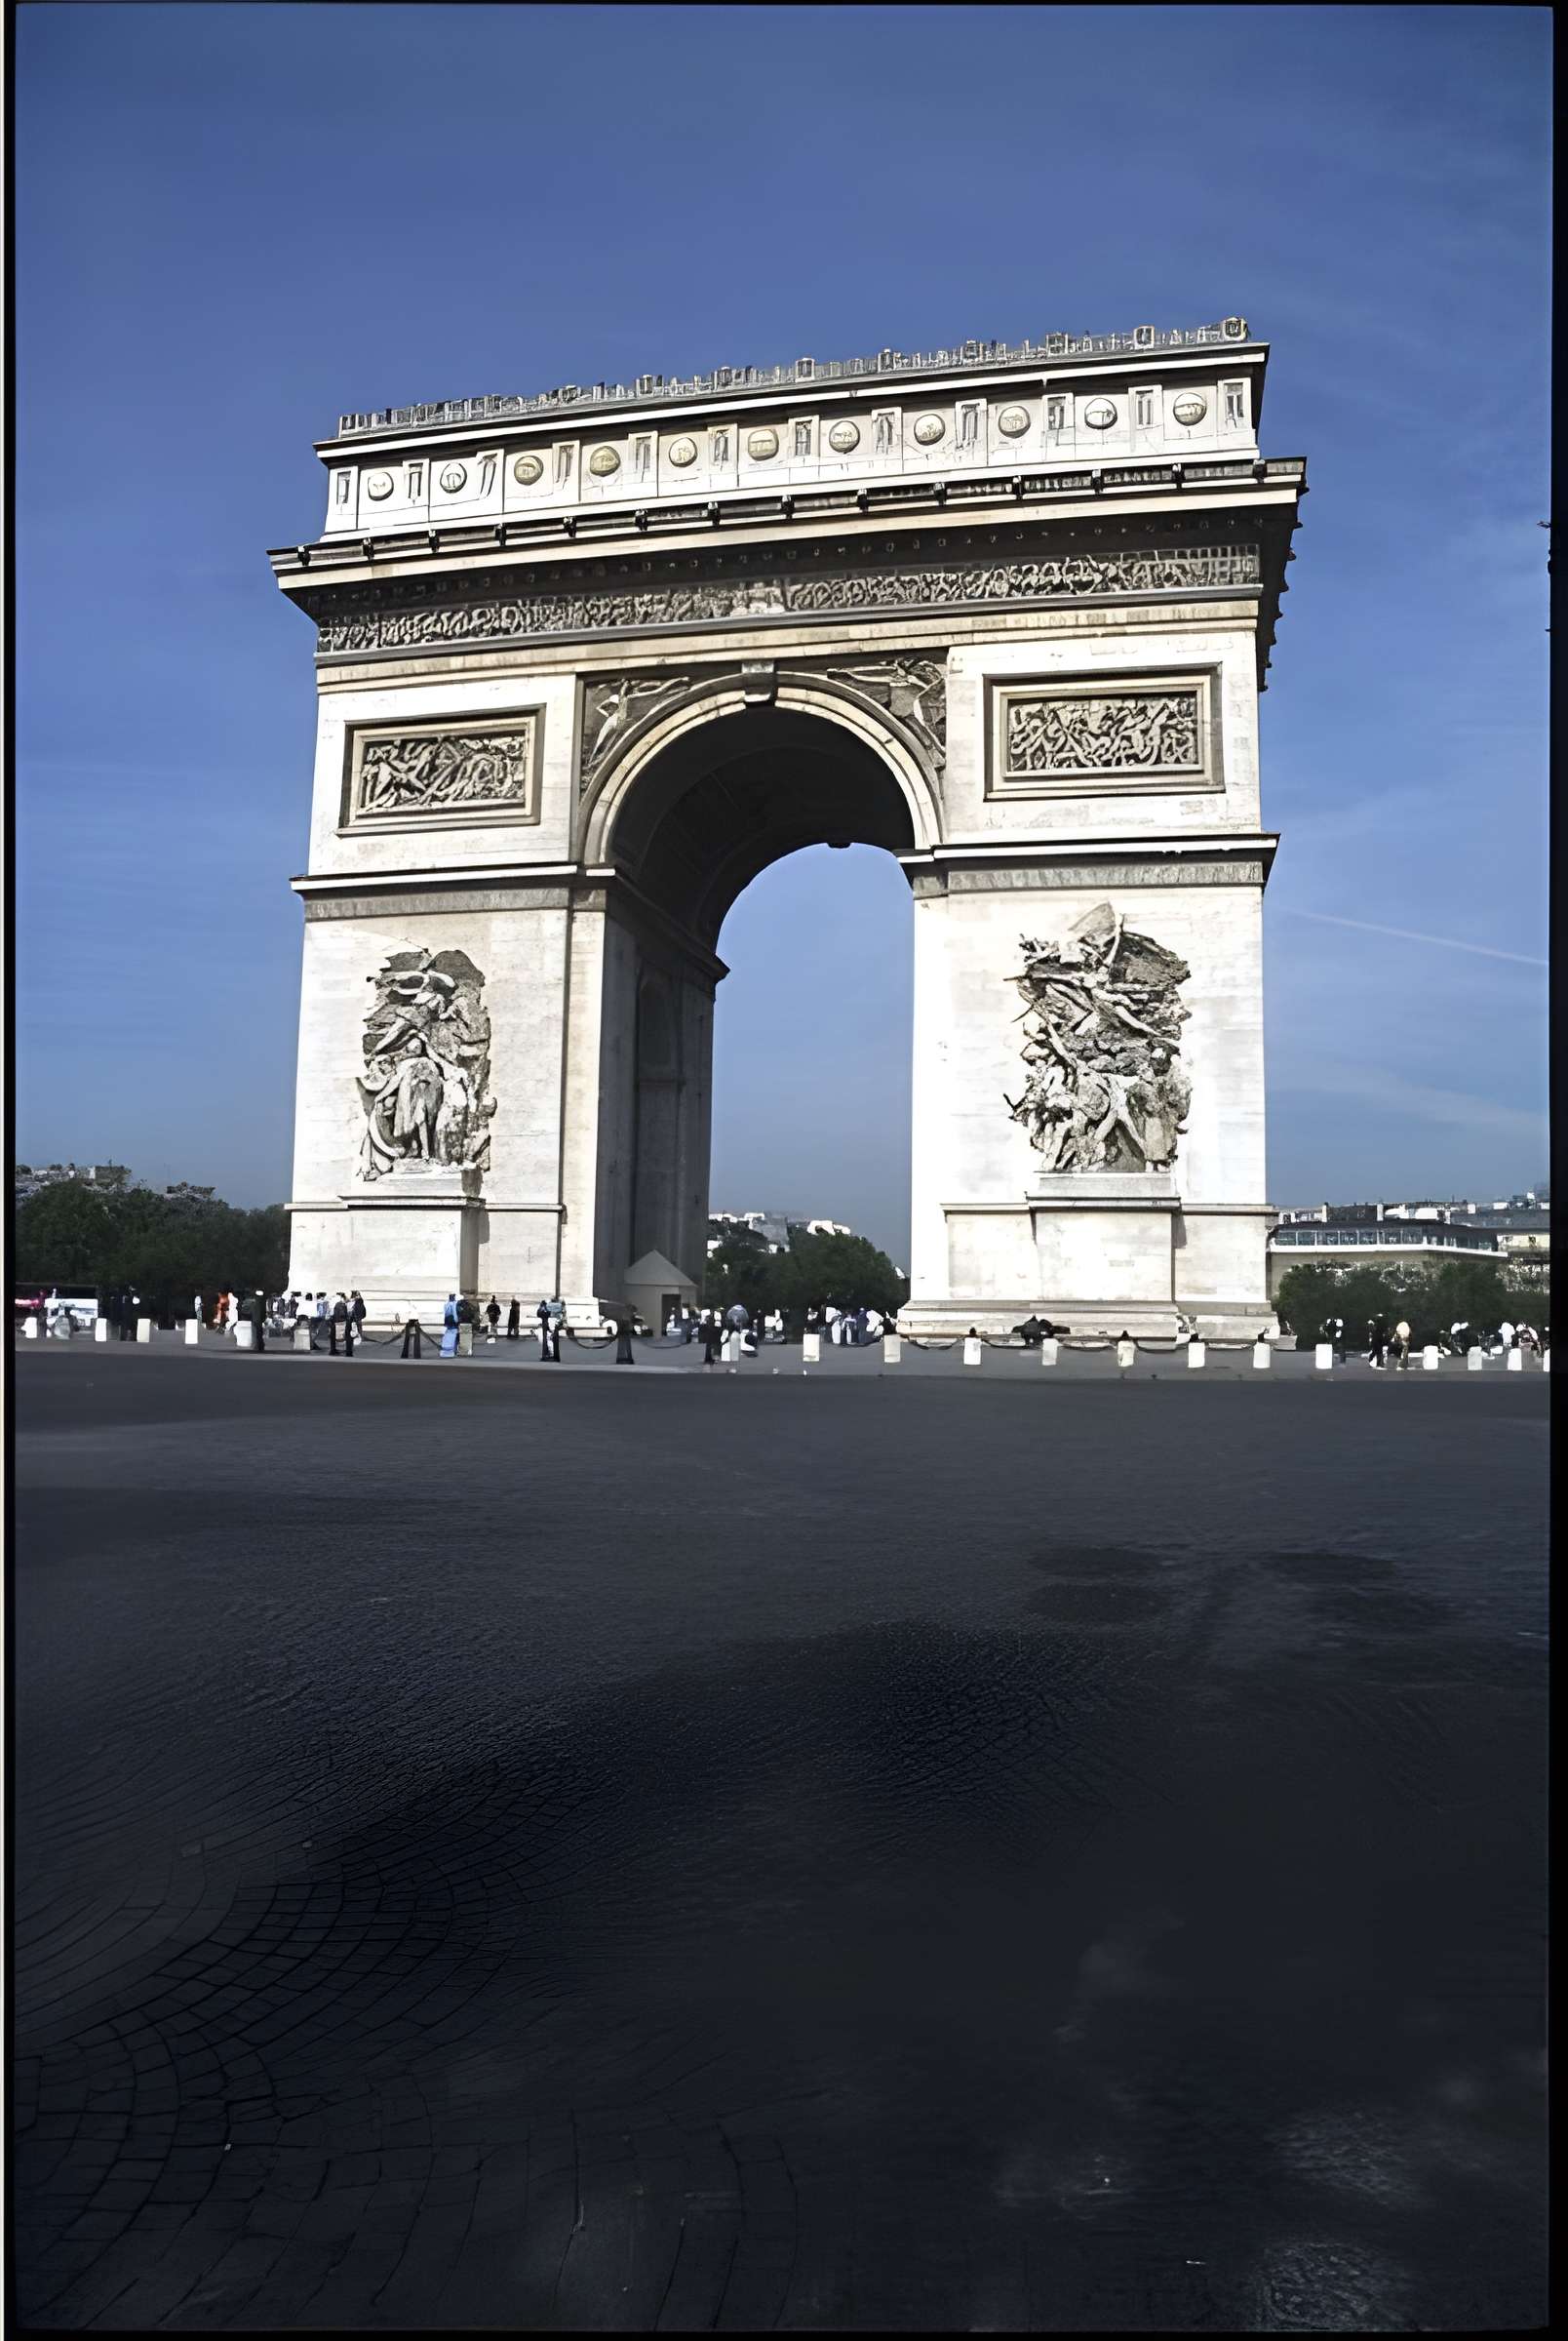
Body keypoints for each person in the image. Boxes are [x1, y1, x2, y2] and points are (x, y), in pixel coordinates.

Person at [441, 1294, 460, 1358]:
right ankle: (454, 1350)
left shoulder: (446, 1304)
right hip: (453, 1322)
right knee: (454, 1336)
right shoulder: (455, 1304)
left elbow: (445, 1313)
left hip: (448, 1322)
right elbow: (455, 1314)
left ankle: (451, 1350)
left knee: (450, 1336)